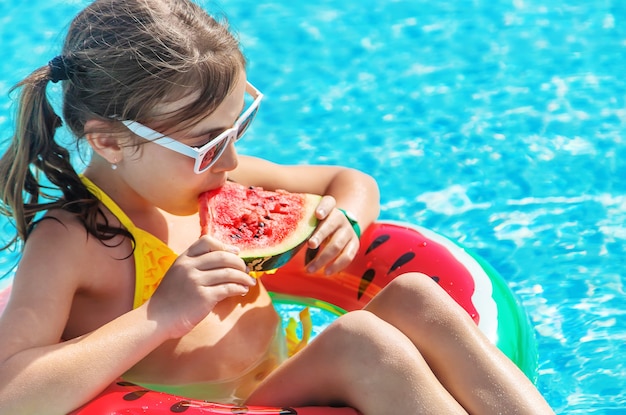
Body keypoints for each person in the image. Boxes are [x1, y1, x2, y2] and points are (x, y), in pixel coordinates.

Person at [0, 1, 554, 414]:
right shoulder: (75, 241)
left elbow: (346, 179)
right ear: (110, 141)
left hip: (281, 377)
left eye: (238, 127)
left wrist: (348, 219)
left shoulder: (216, 176)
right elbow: (12, 393)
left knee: (414, 295)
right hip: (213, 405)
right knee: (362, 341)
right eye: (207, 143)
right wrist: (158, 317)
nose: (232, 160)